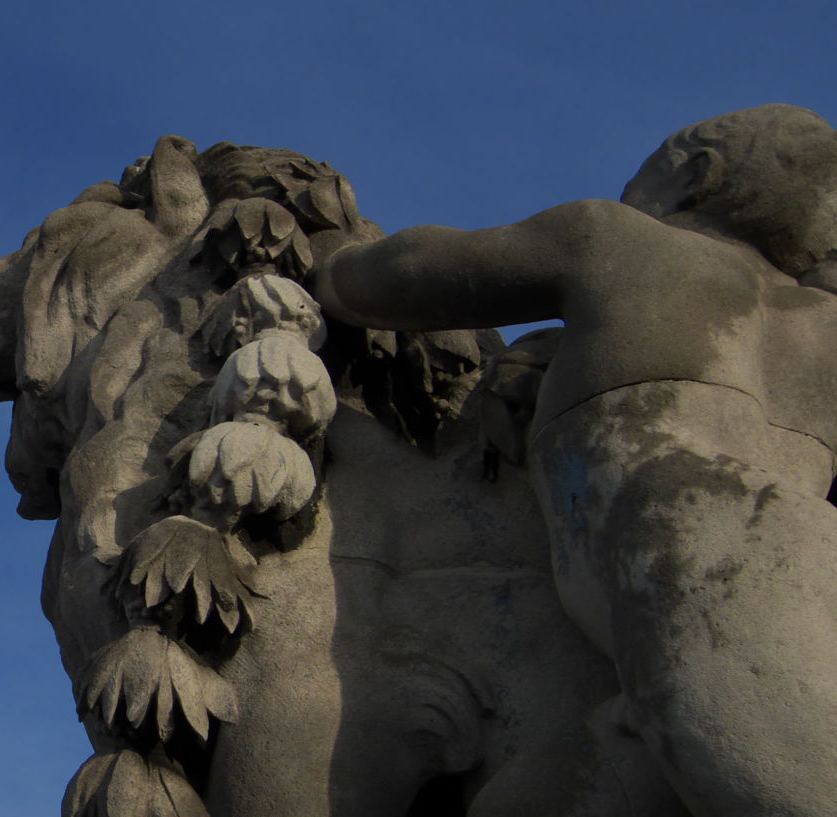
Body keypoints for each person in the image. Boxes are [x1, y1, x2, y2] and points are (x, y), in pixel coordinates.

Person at [311, 104, 837, 816]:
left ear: (695, 172)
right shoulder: (823, 328)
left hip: (696, 552)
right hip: (767, 584)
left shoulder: (617, 241)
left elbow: (409, 273)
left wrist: (330, 268)